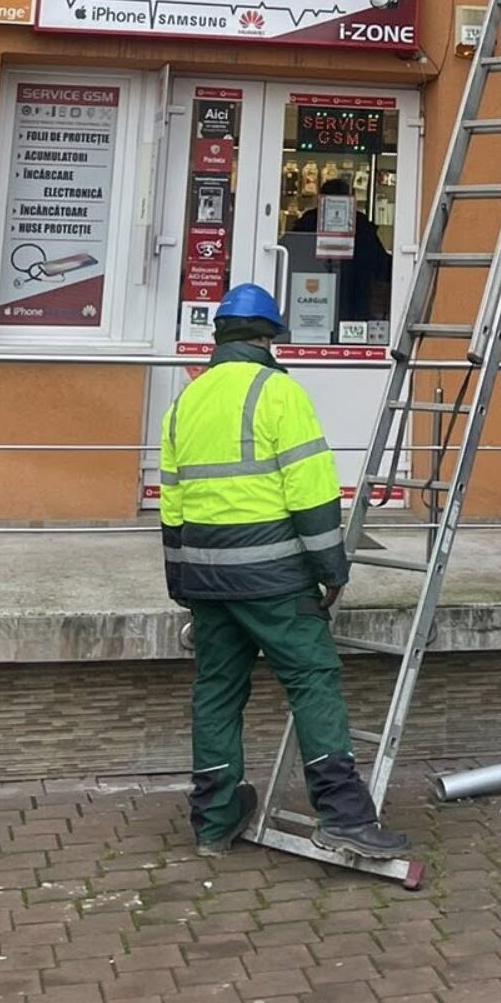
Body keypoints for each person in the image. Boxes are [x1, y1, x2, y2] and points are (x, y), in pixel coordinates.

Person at [159, 282, 408, 860]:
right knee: (312, 680)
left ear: (219, 336)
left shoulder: (185, 403)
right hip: (273, 577)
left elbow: (172, 507)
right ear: (270, 337)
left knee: (217, 690)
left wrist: (181, 582)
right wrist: (332, 569)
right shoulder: (279, 393)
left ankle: (213, 820)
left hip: (206, 578)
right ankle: (343, 815)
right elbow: (312, 495)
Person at [289, 174, 393, 326]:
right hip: (353, 292)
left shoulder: (309, 220)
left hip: (311, 290)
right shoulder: (359, 222)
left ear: (320, 198)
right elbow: (379, 262)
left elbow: (291, 252)